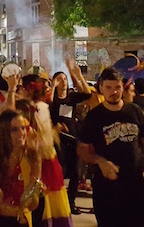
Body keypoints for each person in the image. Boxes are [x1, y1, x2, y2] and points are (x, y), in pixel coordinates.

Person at [77, 67, 144, 227]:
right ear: (101, 88)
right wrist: (100, 161)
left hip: (135, 184)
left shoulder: (134, 111)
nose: (113, 92)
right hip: (106, 187)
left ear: (123, 87)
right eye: (108, 87)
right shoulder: (94, 117)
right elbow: (82, 151)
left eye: (117, 87)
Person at [0, 109, 42, 227]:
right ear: (4, 133)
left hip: (21, 222)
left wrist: (33, 195)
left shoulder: (32, 158)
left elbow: (34, 203)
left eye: (23, 128)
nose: (21, 133)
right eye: (14, 130)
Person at [48, 70, 90, 214]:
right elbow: (49, 104)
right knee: (57, 171)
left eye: (65, 78)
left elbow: (87, 93)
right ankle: (55, 204)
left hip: (72, 138)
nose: (64, 81)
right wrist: (52, 86)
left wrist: (78, 75)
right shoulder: (52, 97)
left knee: (75, 173)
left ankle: (71, 203)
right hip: (57, 139)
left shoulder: (71, 98)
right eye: (60, 79)